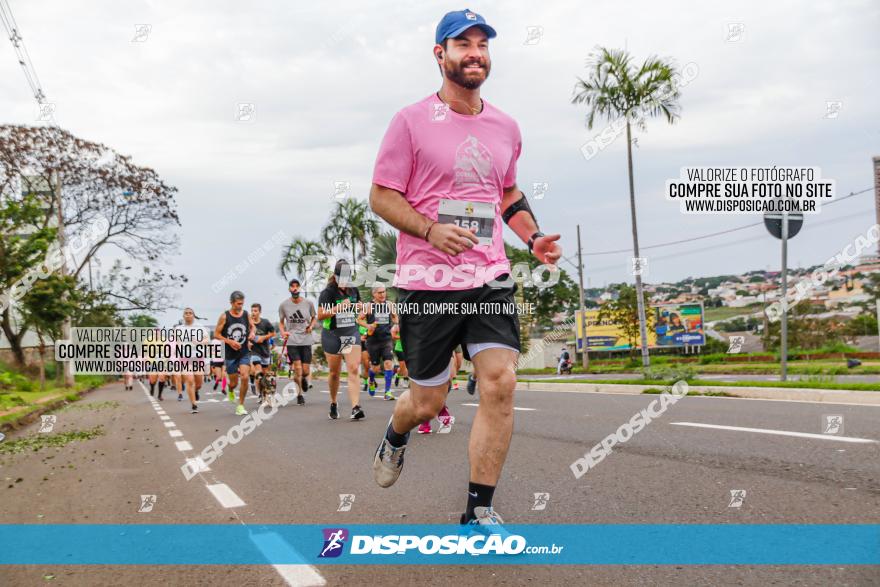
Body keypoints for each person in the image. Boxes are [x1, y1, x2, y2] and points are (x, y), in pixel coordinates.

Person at [368, 8, 561, 528]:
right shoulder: (409, 121)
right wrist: (430, 230)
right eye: (463, 44)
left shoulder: (505, 126)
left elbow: (507, 192)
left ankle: (478, 510)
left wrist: (533, 237)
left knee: (500, 382)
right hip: (428, 282)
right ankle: (397, 431)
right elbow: (381, 197)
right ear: (440, 55)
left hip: (489, 276)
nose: (475, 52)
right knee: (428, 401)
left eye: (482, 44)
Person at [316, 260, 365, 420]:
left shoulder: (353, 290)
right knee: (334, 373)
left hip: (350, 332)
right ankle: (333, 402)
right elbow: (321, 315)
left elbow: (360, 309)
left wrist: (360, 308)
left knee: (353, 368)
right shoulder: (328, 292)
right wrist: (337, 308)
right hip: (332, 334)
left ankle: (355, 407)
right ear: (335, 277)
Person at [214, 291, 254, 416]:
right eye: (238, 304)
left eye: (242, 304)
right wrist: (229, 341)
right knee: (233, 383)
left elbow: (252, 327)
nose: (240, 306)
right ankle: (230, 389)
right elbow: (216, 334)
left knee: (245, 377)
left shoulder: (246, 314)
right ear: (231, 303)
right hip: (230, 353)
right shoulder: (224, 316)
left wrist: (252, 333)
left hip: (244, 352)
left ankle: (240, 405)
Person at [279, 278, 316, 406]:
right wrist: (283, 332)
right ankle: (299, 394)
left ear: (300, 288)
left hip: (306, 339)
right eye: (292, 286)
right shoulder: (284, 305)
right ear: (289, 289)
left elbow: (314, 318)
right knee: (298, 369)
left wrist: (311, 326)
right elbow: (281, 322)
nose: (295, 288)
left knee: (305, 371)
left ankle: (304, 379)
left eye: (297, 286)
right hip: (292, 340)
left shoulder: (308, 303)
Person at [357, 285, 398, 401]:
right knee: (375, 368)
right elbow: (359, 319)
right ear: (374, 294)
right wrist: (368, 325)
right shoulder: (369, 306)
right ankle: (371, 380)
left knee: (388, 364)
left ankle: (388, 392)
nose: (382, 294)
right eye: (379, 292)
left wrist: (395, 325)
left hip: (386, 339)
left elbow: (395, 318)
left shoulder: (389, 305)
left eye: (384, 292)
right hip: (373, 341)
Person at [173, 307, 209, 414]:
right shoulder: (179, 329)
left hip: (197, 357)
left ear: (193, 315)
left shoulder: (200, 327)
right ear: (183, 316)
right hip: (185, 357)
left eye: (190, 313)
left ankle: (196, 390)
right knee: (189, 380)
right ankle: (194, 405)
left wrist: (199, 342)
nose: (188, 314)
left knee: (199, 382)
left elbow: (207, 339)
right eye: (186, 313)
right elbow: (177, 341)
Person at [247, 303, 276, 401]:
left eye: (255, 311)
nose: (253, 313)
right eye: (252, 311)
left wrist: (263, 337)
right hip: (254, 352)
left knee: (265, 375)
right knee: (258, 373)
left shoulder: (265, 322)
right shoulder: (248, 324)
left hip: (265, 351)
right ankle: (260, 394)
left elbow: (273, 333)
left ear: (260, 312)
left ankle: (265, 393)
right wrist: (248, 343)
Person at [391, 323, 409, 388]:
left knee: (407, 366)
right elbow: (393, 336)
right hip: (400, 348)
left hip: (410, 348)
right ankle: (405, 380)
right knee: (404, 367)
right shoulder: (397, 325)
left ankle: (398, 375)